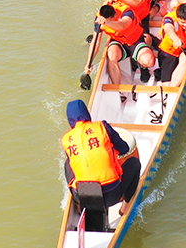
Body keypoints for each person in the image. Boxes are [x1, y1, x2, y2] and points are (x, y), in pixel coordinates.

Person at [60, 100, 139, 233]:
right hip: (112, 195)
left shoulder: (66, 139)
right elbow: (124, 149)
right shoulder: (102, 127)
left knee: (68, 163)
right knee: (134, 164)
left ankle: (79, 206)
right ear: (87, 114)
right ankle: (125, 207)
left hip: (83, 196)